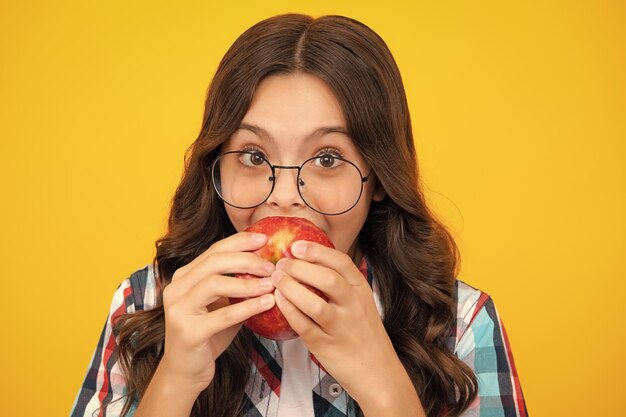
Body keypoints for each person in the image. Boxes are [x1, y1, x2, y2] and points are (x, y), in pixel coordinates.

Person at [71, 13, 527, 417]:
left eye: (328, 159)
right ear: (217, 165)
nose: (285, 196)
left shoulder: (461, 324)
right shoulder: (146, 304)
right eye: (252, 155)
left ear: (381, 178)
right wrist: (173, 383)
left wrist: (385, 389)